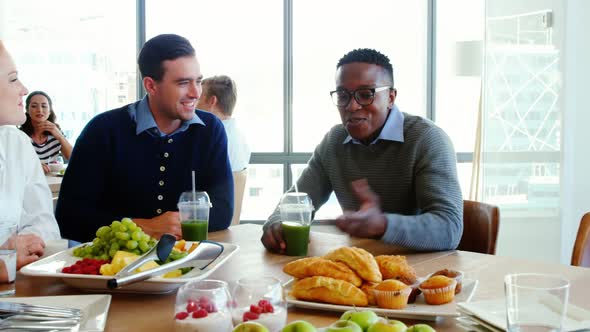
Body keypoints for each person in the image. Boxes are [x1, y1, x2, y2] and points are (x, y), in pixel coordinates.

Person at [261, 48, 463, 253]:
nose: (352, 106)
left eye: (366, 95)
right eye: (342, 95)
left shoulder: (426, 139)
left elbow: (450, 229)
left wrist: (383, 225)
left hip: (419, 272)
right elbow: (299, 199)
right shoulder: (333, 142)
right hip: (358, 266)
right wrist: (276, 224)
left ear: (391, 98)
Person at [55, 34, 233, 242]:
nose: (196, 93)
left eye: (198, 81)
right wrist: (142, 226)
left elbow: (223, 211)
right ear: (151, 85)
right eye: (183, 83)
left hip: (188, 262)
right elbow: (69, 218)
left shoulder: (211, 130)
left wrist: (174, 223)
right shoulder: (102, 130)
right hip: (113, 267)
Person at [0, 40, 61, 270]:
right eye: (13, 79)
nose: (23, 89)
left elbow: (44, 225)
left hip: (19, 289)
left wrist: (15, 250)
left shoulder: (16, 142)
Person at [196, 75, 250, 172]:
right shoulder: (241, 138)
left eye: (198, 99)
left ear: (212, 101)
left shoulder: (212, 139)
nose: (194, 105)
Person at [19, 90, 73, 173]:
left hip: (53, 182)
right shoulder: (19, 136)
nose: (39, 110)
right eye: (34, 106)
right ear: (27, 110)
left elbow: (73, 158)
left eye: (44, 106)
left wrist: (60, 136)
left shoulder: (56, 134)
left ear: (50, 111)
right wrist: (34, 166)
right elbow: (13, 164)